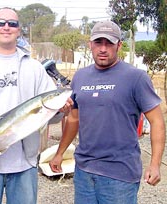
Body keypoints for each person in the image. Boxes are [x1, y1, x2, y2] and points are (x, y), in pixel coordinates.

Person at [0, 7, 72, 204]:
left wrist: (62, 111)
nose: (6, 27)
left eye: (12, 24)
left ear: (19, 30)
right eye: (0, 23)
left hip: (24, 164)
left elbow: (48, 113)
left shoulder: (35, 68)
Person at [49, 20, 166, 204]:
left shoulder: (136, 78)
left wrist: (155, 164)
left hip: (120, 175)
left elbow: (157, 122)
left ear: (119, 45)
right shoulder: (80, 77)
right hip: (84, 173)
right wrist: (60, 152)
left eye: (109, 43)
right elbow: (73, 119)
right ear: (90, 45)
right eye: (98, 42)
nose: (103, 49)